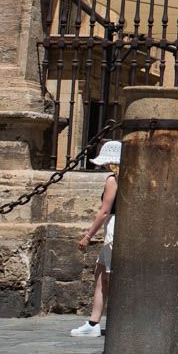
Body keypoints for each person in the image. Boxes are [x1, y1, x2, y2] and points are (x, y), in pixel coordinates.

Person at [71, 140, 121, 337]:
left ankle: (103, 322)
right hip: (118, 227)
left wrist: (87, 236)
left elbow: (104, 211)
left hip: (113, 229)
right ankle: (93, 322)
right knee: (101, 273)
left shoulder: (112, 180)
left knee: (109, 276)